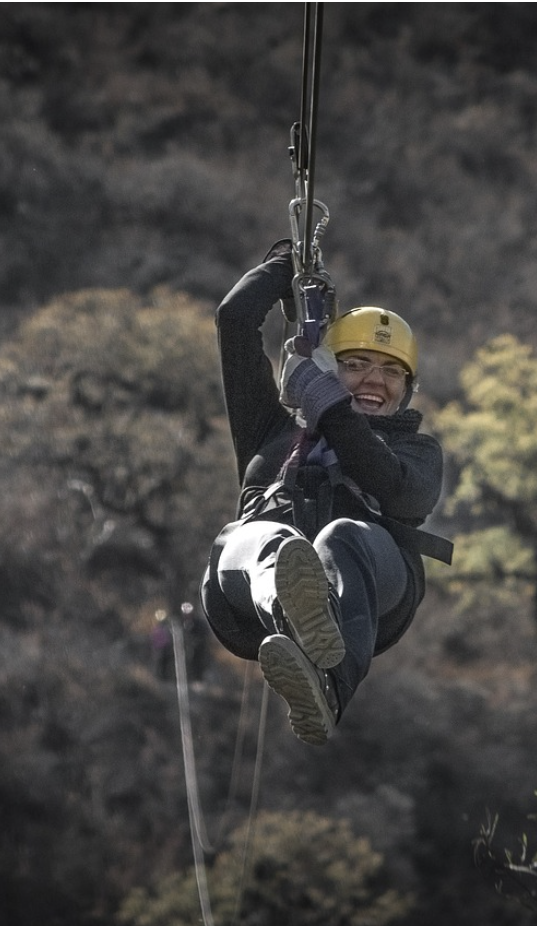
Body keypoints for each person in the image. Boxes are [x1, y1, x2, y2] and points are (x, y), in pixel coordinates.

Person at [200, 240, 449, 745]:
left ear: (408, 389)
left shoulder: (418, 451)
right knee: (262, 537)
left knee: (341, 535)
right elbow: (235, 321)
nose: (374, 381)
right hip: (249, 602)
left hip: (368, 595)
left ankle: (329, 685)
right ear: (328, 366)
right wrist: (285, 267)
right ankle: (292, 611)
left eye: (391, 371)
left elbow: (398, 492)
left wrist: (328, 405)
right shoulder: (270, 430)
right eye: (356, 364)